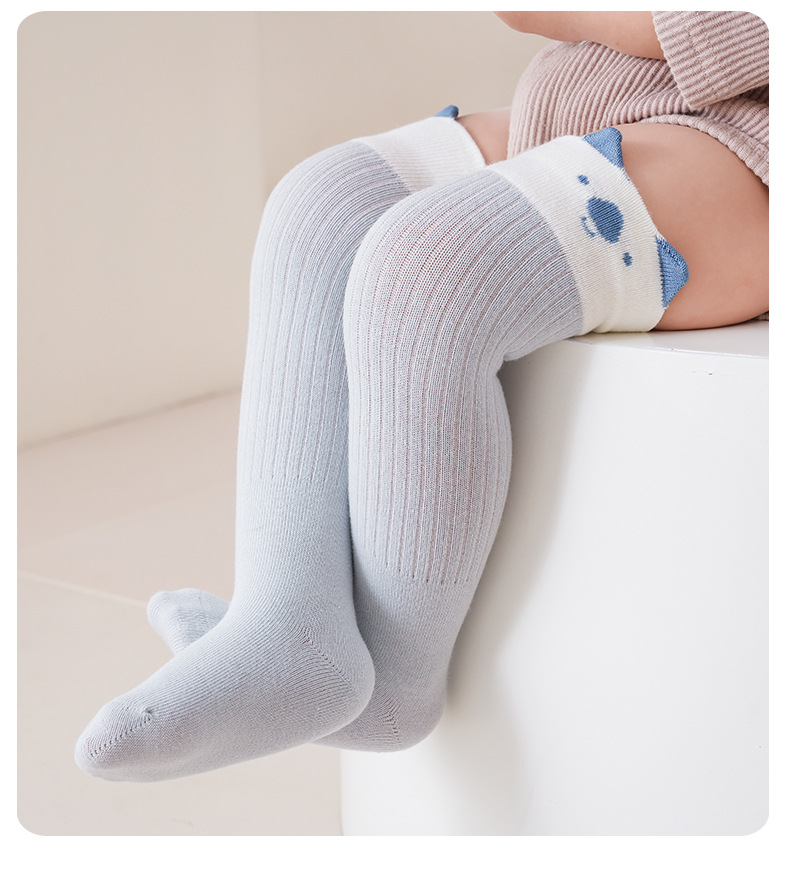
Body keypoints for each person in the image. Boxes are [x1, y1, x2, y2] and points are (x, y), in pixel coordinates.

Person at [75, 11, 768, 781]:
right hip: (602, 87)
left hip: (754, 134)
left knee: (428, 272)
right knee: (319, 206)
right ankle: (282, 613)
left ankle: (391, 689)